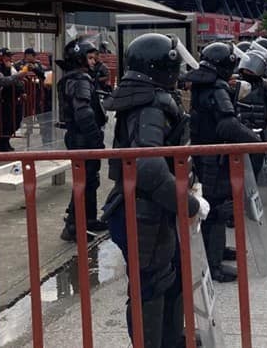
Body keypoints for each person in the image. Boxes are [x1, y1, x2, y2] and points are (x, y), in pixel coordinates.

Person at [102, 33, 209, 347]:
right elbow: (148, 168)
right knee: (151, 285)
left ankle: (171, 340)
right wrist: (187, 204)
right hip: (142, 210)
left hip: (148, 208)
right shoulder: (149, 105)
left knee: (168, 278)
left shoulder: (143, 96)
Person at [184, 42, 261, 282]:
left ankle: (217, 250)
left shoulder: (203, 84)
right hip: (213, 159)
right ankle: (214, 265)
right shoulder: (216, 88)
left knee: (215, 206)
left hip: (205, 153)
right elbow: (227, 124)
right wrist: (254, 140)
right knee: (218, 209)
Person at [57, 38, 108, 242]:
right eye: (89, 57)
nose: (94, 61)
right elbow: (84, 113)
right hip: (82, 138)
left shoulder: (75, 78)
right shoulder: (80, 80)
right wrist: (96, 139)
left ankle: (88, 218)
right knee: (84, 180)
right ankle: (72, 225)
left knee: (90, 179)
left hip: (79, 136)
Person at [0, 48, 26, 152]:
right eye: (7, 56)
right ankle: (3, 143)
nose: (9, 58)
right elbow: (5, 81)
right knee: (6, 122)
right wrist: (8, 69)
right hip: (5, 99)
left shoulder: (12, 66)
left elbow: (18, 80)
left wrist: (22, 91)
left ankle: (6, 140)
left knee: (16, 121)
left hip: (15, 98)